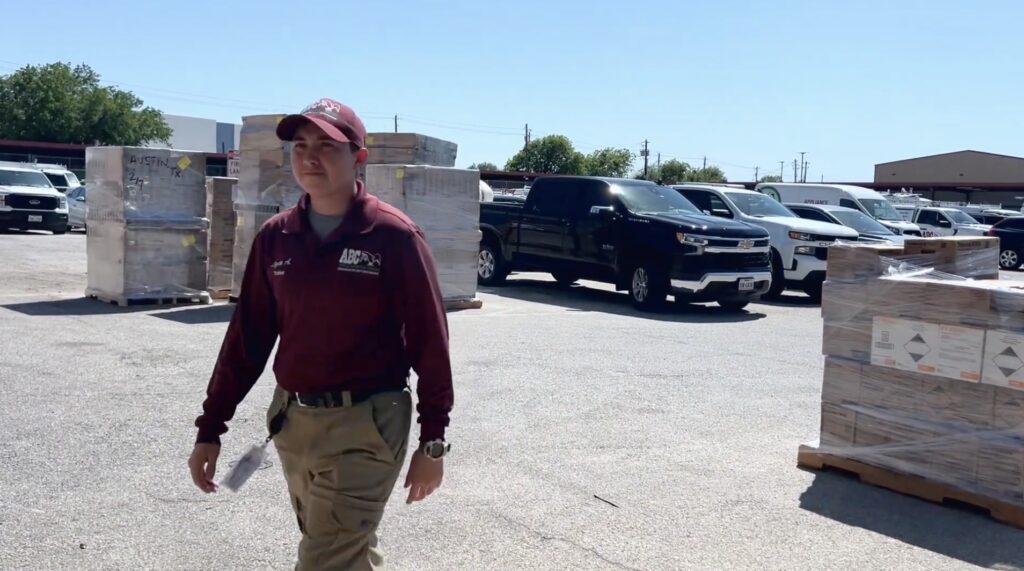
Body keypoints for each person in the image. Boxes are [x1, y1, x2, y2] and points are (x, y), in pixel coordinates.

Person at [188, 98, 454, 570]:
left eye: (327, 146)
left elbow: (430, 342)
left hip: (367, 425)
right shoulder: (276, 237)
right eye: (300, 145)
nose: (310, 157)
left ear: (358, 157)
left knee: (324, 558)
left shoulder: (393, 237)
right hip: (294, 421)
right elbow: (246, 340)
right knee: (343, 547)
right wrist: (211, 428)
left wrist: (432, 441)